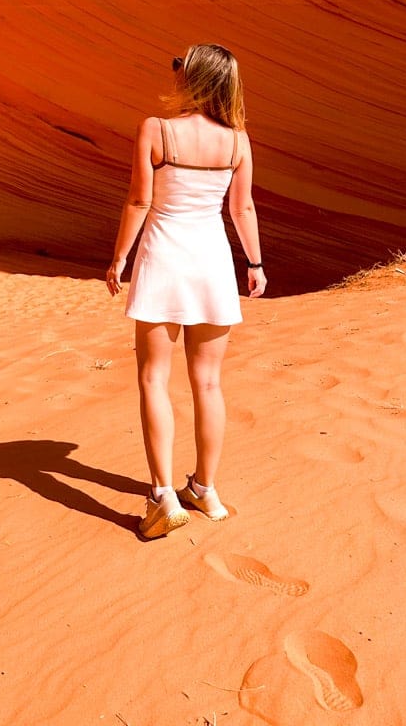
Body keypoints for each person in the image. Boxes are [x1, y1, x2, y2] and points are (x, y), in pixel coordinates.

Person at [106, 44, 266, 539]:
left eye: (180, 67)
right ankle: (207, 489)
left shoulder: (157, 130)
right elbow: (243, 211)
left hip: (163, 261)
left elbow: (139, 199)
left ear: (192, 79)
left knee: (154, 378)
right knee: (210, 383)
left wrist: (118, 258)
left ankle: (162, 495)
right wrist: (255, 264)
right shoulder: (237, 142)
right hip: (212, 265)